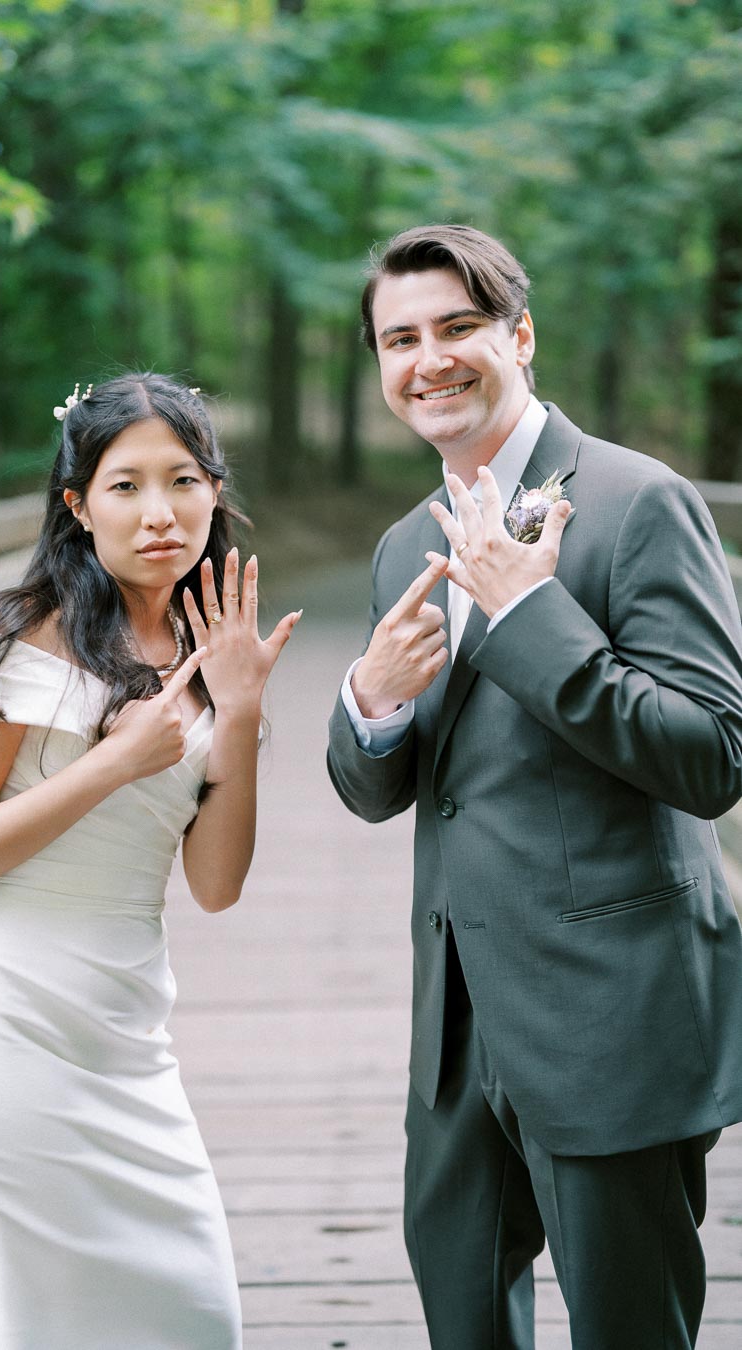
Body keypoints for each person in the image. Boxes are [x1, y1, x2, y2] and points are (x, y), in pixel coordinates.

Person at [326, 224, 742, 1349]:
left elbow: (712, 755)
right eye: (399, 338)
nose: (429, 360)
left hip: (611, 1009)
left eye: (458, 328)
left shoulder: (636, 500)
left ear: (520, 335)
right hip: (455, 1022)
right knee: (464, 1321)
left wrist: (527, 618)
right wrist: (371, 700)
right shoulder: (402, 541)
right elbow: (381, 793)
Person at [0, 372, 301, 1350]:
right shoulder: (9, 640)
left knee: (186, 1305)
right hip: (1, 1020)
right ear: (78, 506)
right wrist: (113, 761)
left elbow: (214, 886)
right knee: (51, 1305)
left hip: (126, 1034)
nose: (159, 513)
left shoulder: (213, 654)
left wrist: (241, 714)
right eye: (125, 486)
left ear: (216, 490)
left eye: (183, 480)